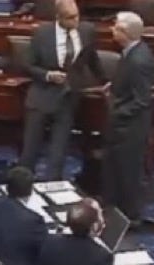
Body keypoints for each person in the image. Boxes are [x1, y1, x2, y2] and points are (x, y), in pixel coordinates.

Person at [19, 0, 105, 181]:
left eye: (77, 16)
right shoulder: (42, 33)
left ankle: (53, 186)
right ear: (58, 17)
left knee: (58, 152)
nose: (75, 21)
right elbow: (28, 65)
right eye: (70, 18)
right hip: (41, 97)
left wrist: (106, 81)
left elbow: (92, 60)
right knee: (30, 150)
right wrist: (48, 75)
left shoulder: (87, 31)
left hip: (68, 98)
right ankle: (22, 186)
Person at [102, 11, 154, 224]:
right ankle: (115, 212)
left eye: (115, 27)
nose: (111, 29)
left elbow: (142, 100)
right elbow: (129, 85)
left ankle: (131, 217)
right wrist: (114, 87)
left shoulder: (139, 60)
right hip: (122, 124)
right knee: (115, 170)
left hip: (130, 128)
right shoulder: (131, 52)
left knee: (127, 173)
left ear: (125, 33)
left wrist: (117, 112)